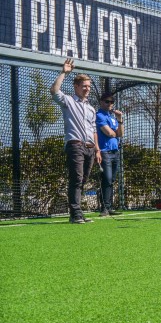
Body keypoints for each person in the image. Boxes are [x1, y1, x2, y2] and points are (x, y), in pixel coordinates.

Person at [50, 58, 101, 224]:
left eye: (88, 86)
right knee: (76, 179)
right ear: (76, 86)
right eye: (84, 86)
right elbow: (54, 91)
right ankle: (76, 213)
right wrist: (64, 72)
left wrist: (97, 150)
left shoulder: (91, 108)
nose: (87, 89)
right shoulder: (68, 101)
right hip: (75, 145)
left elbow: (93, 130)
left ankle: (77, 212)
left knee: (84, 180)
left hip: (90, 148)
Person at [95, 93, 124, 217]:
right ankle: (104, 208)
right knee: (106, 179)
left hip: (115, 151)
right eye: (107, 101)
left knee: (111, 180)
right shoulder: (99, 116)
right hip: (104, 151)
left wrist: (120, 119)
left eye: (111, 102)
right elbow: (110, 133)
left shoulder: (112, 118)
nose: (109, 104)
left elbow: (120, 133)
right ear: (101, 102)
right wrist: (115, 132)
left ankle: (109, 206)